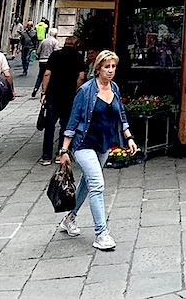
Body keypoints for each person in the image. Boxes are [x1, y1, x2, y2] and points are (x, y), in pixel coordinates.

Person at [58, 50, 137, 250]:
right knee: (97, 184)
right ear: (98, 68)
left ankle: (69, 218)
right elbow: (73, 119)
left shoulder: (115, 88)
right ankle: (101, 233)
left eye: (113, 67)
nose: (110, 71)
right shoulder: (86, 90)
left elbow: (122, 116)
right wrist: (64, 150)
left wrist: (129, 138)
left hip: (103, 144)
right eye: (106, 67)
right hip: (83, 143)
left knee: (87, 182)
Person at [38, 37, 86, 165]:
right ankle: (61, 154)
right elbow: (81, 77)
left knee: (49, 126)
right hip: (69, 97)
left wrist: (43, 92)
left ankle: (46, 156)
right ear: (75, 44)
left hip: (53, 95)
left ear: (65, 44)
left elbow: (47, 73)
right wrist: (77, 91)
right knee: (65, 126)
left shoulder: (55, 55)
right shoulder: (78, 56)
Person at [32, 28, 60, 98]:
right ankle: (44, 91)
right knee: (49, 76)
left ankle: (36, 88)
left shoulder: (43, 41)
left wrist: (39, 56)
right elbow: (56, 53)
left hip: (42, 61)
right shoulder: (55, 42)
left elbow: (38, 51)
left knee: (40, 76)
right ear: (56, 34)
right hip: (50, 61)